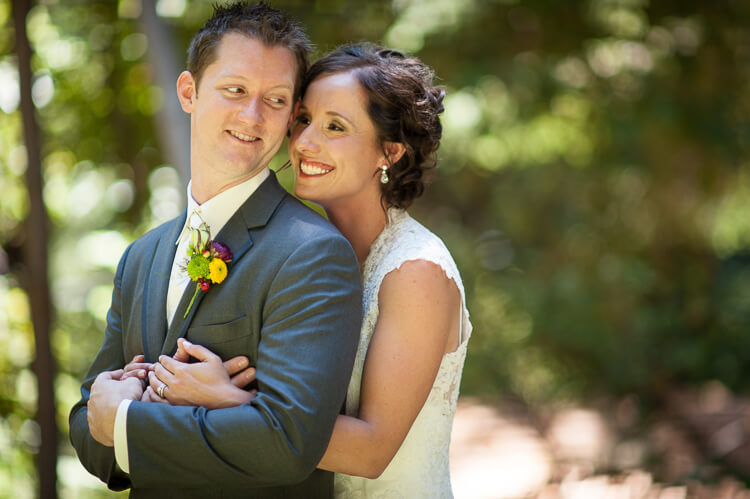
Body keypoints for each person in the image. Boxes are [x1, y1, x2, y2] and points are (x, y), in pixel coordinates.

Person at [67, 3, 362, 498]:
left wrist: (125, 418)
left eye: (275, 99)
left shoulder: (313, 253)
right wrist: (112, 417)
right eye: (235, 89)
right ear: (189, 91)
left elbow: (290, 445)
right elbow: (86, 426)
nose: (252, 115)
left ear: (292, 115)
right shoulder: (140, 257)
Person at [154, 43, 472, 497]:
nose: (303, 142)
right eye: (303, 119)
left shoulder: (415, 271)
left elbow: (371, 451)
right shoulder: (304, 255)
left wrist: (226, 398)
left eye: (335, 127)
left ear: (391, 152)